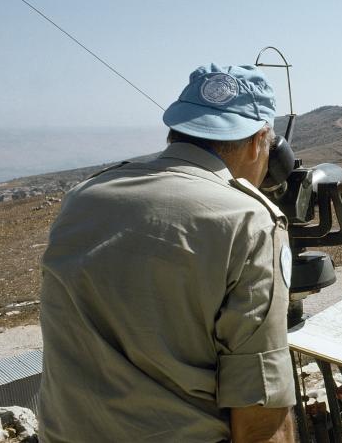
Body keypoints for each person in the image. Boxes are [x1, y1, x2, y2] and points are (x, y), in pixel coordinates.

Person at [39, 64, 297, 442]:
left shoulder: (84, 195)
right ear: (261, 141)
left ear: (178, 128)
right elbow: (259, 403)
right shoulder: (248, 219)